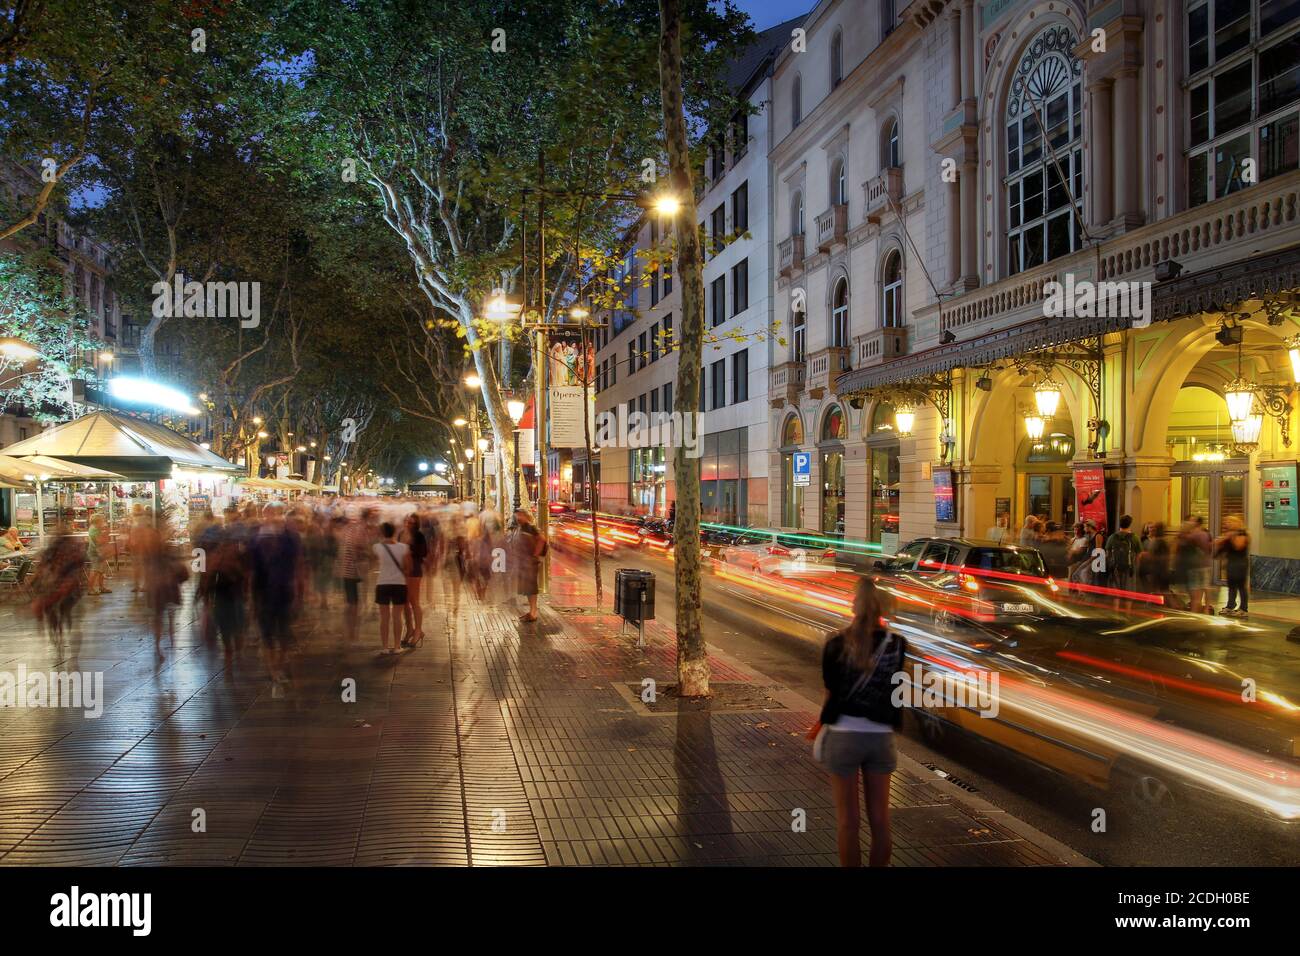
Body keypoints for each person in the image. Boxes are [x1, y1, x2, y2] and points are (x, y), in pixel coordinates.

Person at [813, 576, 906, 867]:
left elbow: (830, 692)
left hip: (843, 736)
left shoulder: (836, 642)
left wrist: (819, 725)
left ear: (853, 606)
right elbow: (896, 689)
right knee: (880, 821)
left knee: (847, 822)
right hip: (880, 738)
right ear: (882, 608)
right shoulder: (897, 645)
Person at [371, 521, 410, 654]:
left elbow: (375, 562)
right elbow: (407, 567)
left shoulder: (376, 547)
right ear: (394, 532)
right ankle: (397, 646)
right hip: (399, 583)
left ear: (382, 533)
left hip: (382, 583)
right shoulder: (403, 548)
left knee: (384, 617)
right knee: (397, 616)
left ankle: (385, 647)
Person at [511, 508, 545, 622]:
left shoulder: (531, 528)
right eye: (517, 515)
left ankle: (533, 612)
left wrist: (535, 555)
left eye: (520, 515)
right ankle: (532, 611)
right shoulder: (520, 528)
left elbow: (542, 539)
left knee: (531, 588)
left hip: (529, 563)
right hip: (523, 563)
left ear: (525, 516)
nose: (518, 517)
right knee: (527, 588)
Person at [399, 512, 427, 647]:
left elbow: (424, 552)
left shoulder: (419, 536)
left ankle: (418, 630)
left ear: (416, 524)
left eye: (411, 523)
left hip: (414, 570)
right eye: (407, 522)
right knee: (404, 601)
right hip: (401, 571)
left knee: (414, 600)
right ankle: (409, 628)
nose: (408, 525)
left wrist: (410, 549)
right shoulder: (401, 534)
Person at [1175, 516, 1213, 613]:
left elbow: (1178, 553)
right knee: (1201, 591)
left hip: (1193, 568)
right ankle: (1204, 609)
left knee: (1195, 595)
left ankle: (1195, 613)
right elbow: (1208, 549)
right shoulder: (1202, 534)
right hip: (1199, 566)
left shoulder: (1187, 537)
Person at [1215, 515, 1250, 616]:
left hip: (1240, 563)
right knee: (1231, 585)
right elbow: (1219, 545)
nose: (1227, 523)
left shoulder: (1242, 533)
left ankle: (1243, 608)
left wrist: (1229, 537)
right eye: (1226, 521)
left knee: (1241, 586)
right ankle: (1230, 605)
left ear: (1236, 523)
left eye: (1229, 521)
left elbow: (1238, 546)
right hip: (1231, 562)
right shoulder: (1228, 534)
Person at [1104, 514, 1141, 595]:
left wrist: (1110, 565)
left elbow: (1107, 555)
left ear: (1119, 523)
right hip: (1129, 568)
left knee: (1116, 592)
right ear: (1130, 524)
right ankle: (1127, 608)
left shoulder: (1112, 537)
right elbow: (1138, 556)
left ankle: (1116, 607)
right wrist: (1135, 568)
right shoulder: (1135, 538)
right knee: (1129, 591)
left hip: (1115, 568)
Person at [1138, 522, 1172, 597]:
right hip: (1159, 569)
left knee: (1159, 591)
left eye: (1154, 528)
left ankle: (1159, 605)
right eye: (1150, 527)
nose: (1153, 529)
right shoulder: (1161, 541)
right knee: (1162, 591)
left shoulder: (1158, 541)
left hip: (1157, 569)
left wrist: (1145, 555)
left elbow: (1152, 555)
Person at [85, 514, 110, 595]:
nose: (103, 522)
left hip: (99, 552)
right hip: (95, 553)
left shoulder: (95, 528)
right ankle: (90, 589)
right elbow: (99, 541)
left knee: (101, 570)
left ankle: (101, 587)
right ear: (98, 521)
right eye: (102, 520)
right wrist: (106, 533)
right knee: (95, 571)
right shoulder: (94, 530)